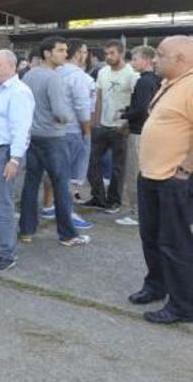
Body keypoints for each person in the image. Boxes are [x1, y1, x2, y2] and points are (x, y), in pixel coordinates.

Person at [131, 35, 193, 325]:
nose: (154, 59)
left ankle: (183, 305)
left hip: (172, 180)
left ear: (180, 59)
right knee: (151, 237)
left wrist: (184, 170)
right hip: (151, 176)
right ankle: (156, 285)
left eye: (160, 54)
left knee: (174, 243)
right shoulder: (170, 84)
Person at [18, 37, 91, 247]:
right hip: (54, 138)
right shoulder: (53, 78)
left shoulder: (29, 75)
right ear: (47, 53)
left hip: (33, 136)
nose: (65, 54)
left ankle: (26, 230)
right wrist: (67, 118)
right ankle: (67, 234)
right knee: (62, 186)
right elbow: (61, 113)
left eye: (65, 50)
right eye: (60, 50)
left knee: (31, 184)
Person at [0, 50, 35, 271]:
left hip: (5, 154)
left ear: (12, 66)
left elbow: (21, 129)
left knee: (3, 206)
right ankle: (4, 244)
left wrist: (14, 160)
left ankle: (7, 254)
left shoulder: (19, 92)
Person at [83, 39, 139, 213]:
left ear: (121, 53)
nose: (108, 57)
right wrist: (95, 121)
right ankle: (98, 197)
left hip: (120, 127)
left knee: (117, 167)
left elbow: (137, 102)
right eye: (106, 54)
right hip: (102, 125)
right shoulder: (103, 72)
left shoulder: (132, 74)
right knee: (92, 163)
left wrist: (127, 124)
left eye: (112, 53)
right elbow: (99, 97)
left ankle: (114, 201)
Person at [44, 38, 94, 229]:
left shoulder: (53, 72)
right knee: (70, 175)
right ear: (78, 53)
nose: (86, 55)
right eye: (84, 51)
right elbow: (83, 106)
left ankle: (48, 205)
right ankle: (66, 213)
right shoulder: (78, 76)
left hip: (53, 130)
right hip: (72, 129)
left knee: (54, 171)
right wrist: (87, 131)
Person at [115, 45, 160, 226]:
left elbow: (142, 109)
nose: (131, 62)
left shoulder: (143, 82)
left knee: (135, 173)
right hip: (150, 132)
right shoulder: (157, 80)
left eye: (135, 59)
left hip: (138, 132)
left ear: (147, 60)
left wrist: (124, 115)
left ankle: (137, 212)